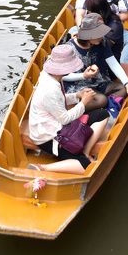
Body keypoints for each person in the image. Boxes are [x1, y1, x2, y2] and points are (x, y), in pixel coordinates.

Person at [25, 44, 109, 174]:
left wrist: (77, 96)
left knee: (102, 114)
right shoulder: (50, 89)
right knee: (85, 166)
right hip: (49, 136)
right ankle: (42, 168)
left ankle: (85, 152)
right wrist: (84, 102)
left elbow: (60, 100)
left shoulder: (53, 78)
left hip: (58, 125)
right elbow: (64, 119)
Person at [61, 13, 128, 106]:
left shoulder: (102, 41)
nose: (102, 36)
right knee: (102, 99)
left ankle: (107, 105)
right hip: (78, 86)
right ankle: (103, 105)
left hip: (98, 82)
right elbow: (63, 76)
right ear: (89, 36)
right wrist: (84, 75)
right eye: (98, 34)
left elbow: (113, 63)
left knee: (125, 85)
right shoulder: (68, 49)